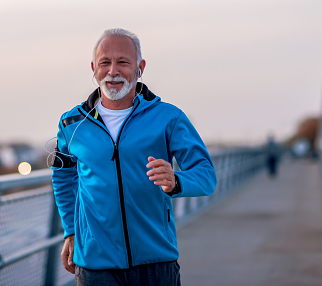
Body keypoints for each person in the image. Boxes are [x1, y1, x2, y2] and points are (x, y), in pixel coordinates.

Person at [51, 28, 216, 285]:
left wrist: (176, 181)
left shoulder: (168, 117)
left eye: (123, 62)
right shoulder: (72, 123)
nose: (113, 71)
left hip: (156, 262)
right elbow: (63, 178)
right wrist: (71, 232)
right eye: (105, 62)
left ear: (140, 67)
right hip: (95, 266)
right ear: (94, 68)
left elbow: (206, 175)